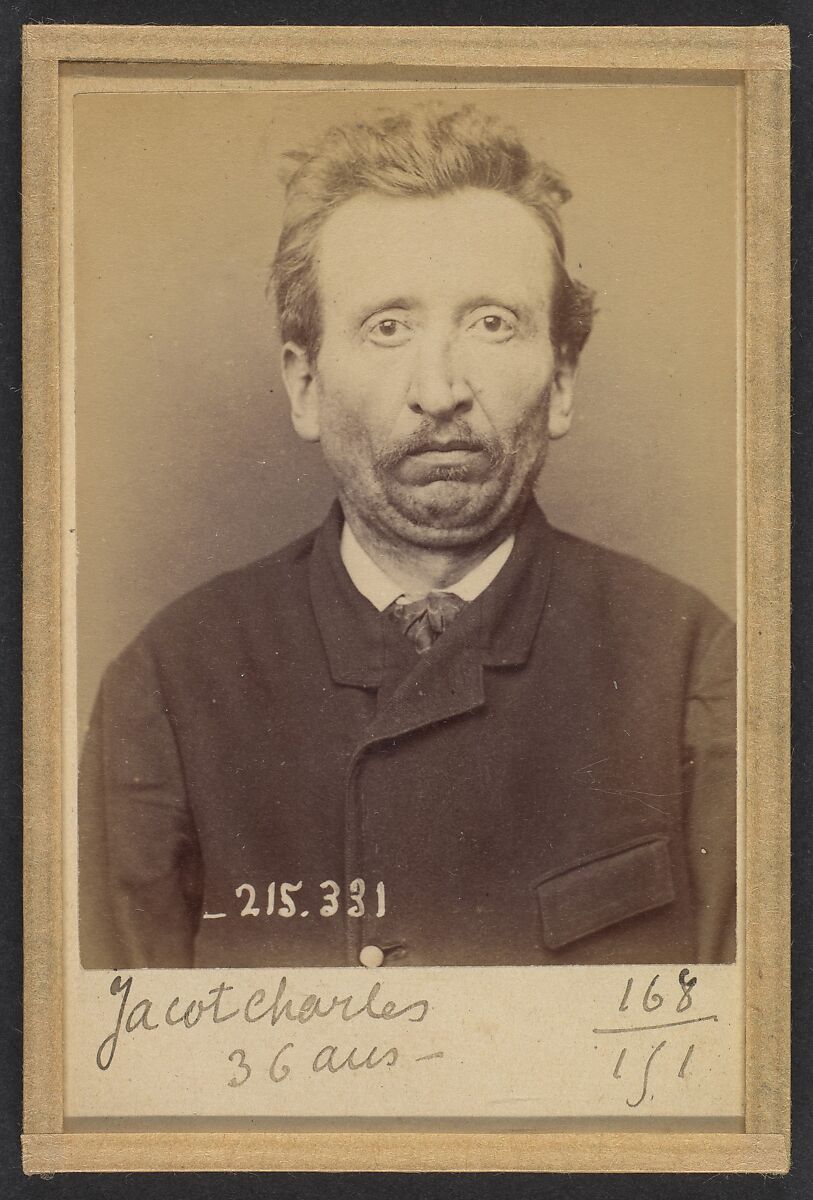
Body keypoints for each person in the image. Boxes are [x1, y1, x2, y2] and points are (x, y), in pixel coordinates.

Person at [79, 105, 736, 970]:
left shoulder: (693, 663)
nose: (440, 388)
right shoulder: (167, 684)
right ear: (305, 384)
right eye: (388, 326)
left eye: (491, 323)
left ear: (563, 379)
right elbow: (110, 1082)